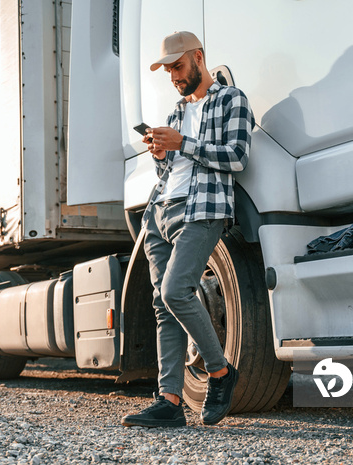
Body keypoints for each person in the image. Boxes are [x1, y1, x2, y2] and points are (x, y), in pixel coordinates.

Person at [121, 31, 254, 427]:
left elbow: (238, 158)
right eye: (168, 70)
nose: (174, 76)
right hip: (159, 211)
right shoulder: (177, 111)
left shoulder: (233, 100)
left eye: (178, 66)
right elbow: (173, 169)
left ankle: (220, 371)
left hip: (202, 210)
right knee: (163, 306)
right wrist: (162, 154)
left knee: (175, 291)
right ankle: (169, 401)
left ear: (198, 58)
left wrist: (184, 143)